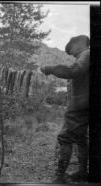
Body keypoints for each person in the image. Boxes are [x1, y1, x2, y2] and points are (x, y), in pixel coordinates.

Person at [40, 35, 90, 183]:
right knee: (81, 139)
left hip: (80, 107)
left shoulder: (86, 54)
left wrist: (51, 69)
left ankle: (59, 177)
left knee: (65, 137)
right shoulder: (86, 56)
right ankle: (82, 171)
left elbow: (75, 71)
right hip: (84, 105)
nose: (71, 52)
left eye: (71, 48)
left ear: (79, 43)